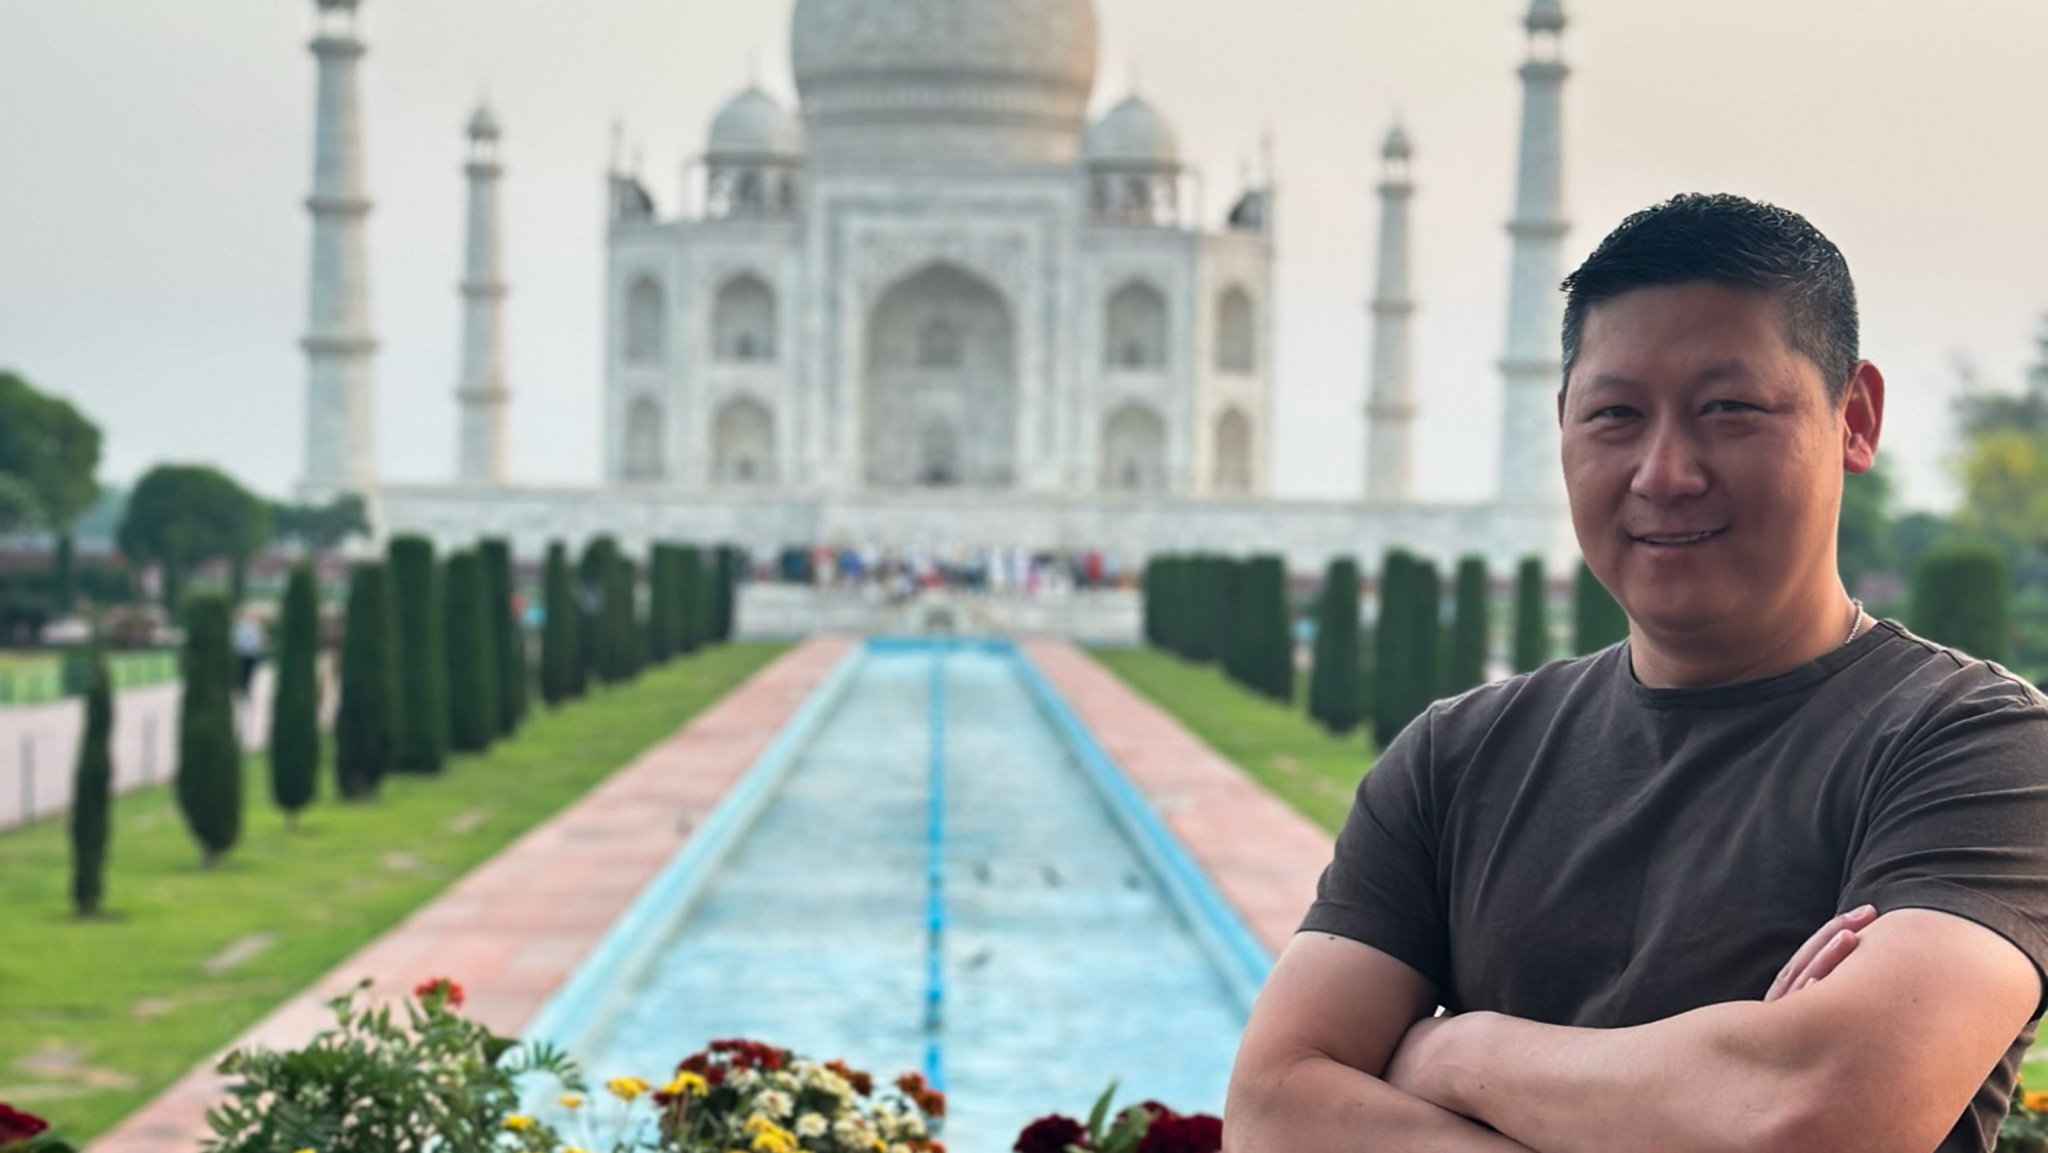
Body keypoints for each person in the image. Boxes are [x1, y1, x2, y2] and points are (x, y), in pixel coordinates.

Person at [1226, 193, 2048, 1153]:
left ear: (1853, 417)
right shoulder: (1457, 759)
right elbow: (1276, 1109)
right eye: (1616, 414)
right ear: (1564, 424)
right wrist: (1706, 1089)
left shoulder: (1981, 749)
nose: (1664, 471)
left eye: (1727, 408)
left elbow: (1812, 1113)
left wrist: (1457, 1055)